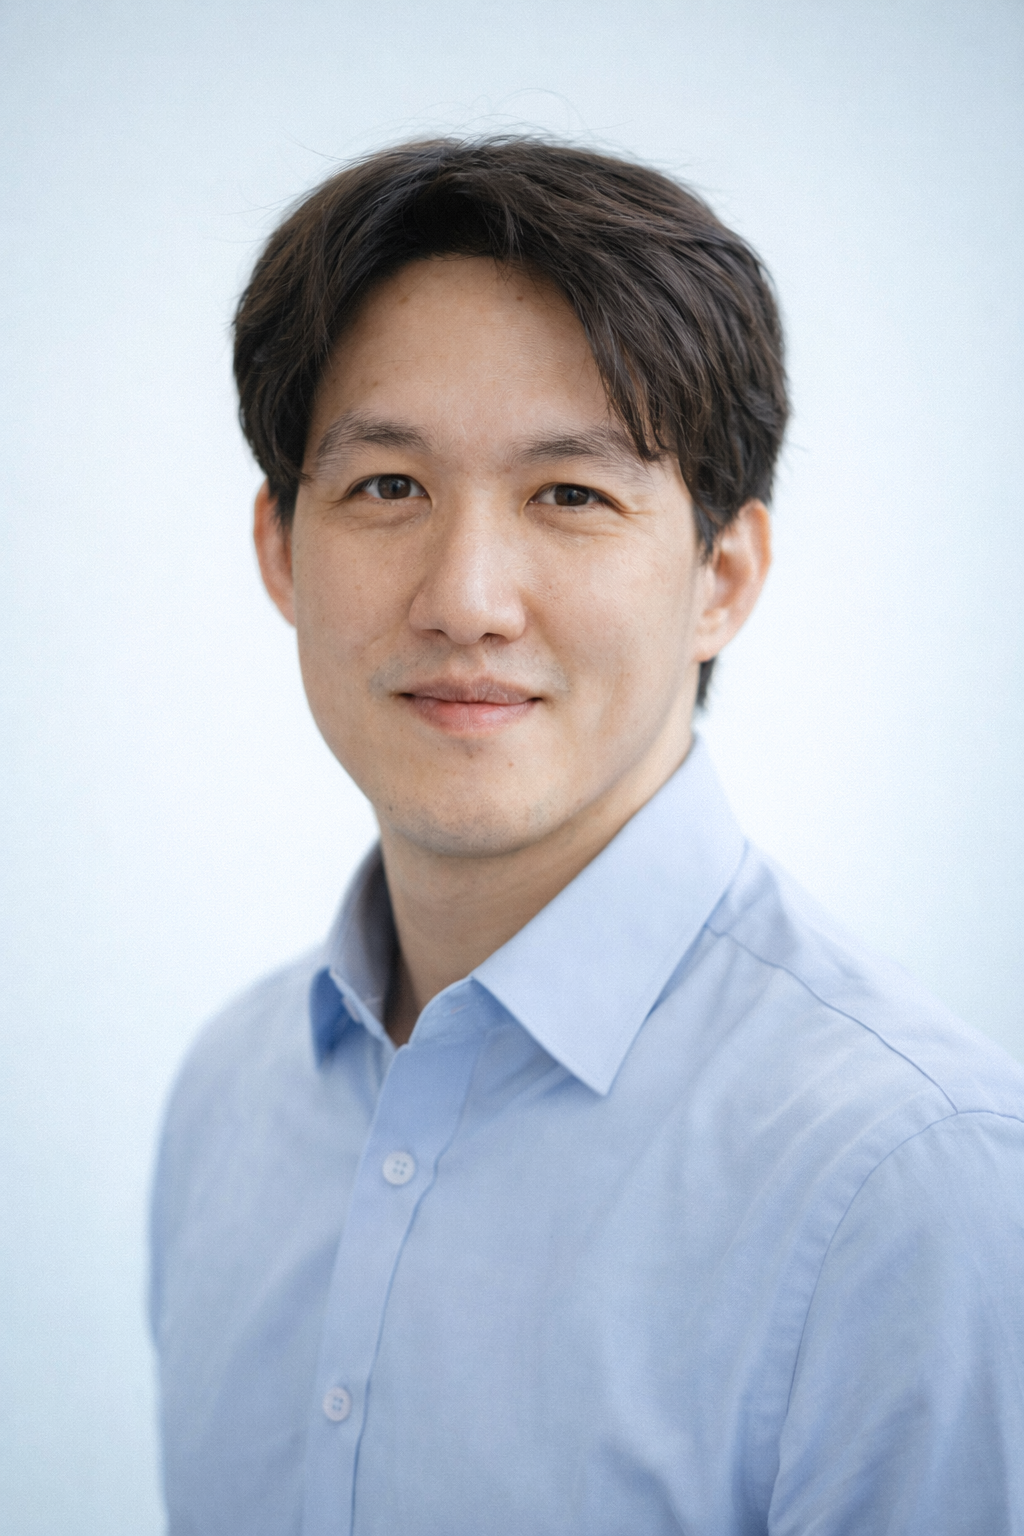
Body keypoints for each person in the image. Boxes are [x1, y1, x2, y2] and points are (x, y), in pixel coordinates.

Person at [149, 138, 1024, 1536]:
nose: (468, 598)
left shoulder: (915, 1186)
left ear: (721, 579)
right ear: (281, 551)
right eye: (386, 488)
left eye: (571, 495)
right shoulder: (228, 1100)